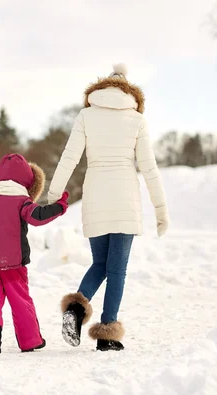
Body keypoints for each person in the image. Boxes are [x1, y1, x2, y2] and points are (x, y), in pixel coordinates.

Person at [47, 63, 170, 351]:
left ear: (102, 88)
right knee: (116, 270)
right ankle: (107, 334)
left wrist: (53, 193)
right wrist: (161, 209)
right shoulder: (137, 119)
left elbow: (69, 157)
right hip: (125, 199)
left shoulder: (86, 115)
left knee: (99, 263)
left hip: (95, 196)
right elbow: (149, 168)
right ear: (129, 91)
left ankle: (76, 309)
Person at [0, 154, 69, 354]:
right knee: (20, 300)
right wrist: (60, 206)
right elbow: (38, 216)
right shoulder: (21, 202)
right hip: (13, 265)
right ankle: (30, 341)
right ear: (25, 181)